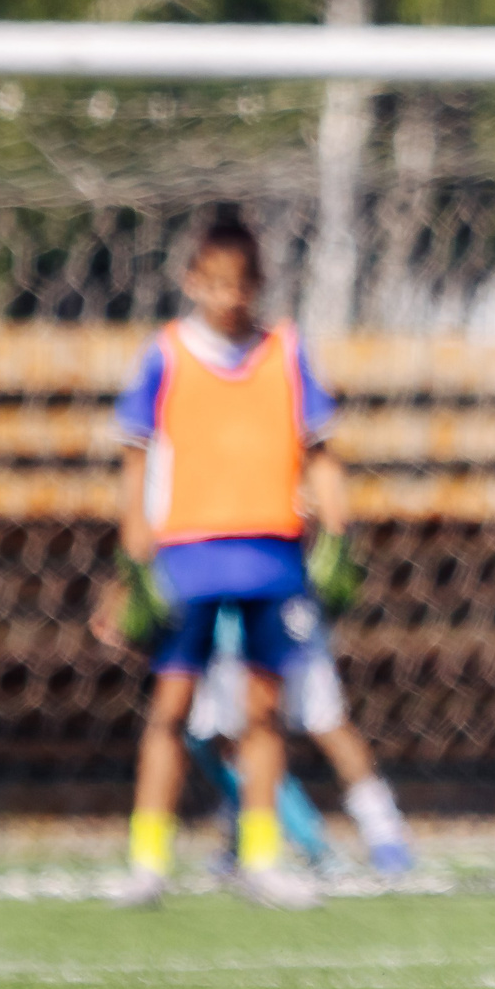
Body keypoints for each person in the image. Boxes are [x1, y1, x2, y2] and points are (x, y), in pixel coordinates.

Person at [109, 218, 365, 911]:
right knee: (172, 705)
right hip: (188, 550)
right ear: (194, 281)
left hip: (270, 551)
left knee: (265, 708)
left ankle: (260, 855)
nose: (228, 296)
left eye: (240, 283)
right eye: (214, 282)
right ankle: (148, 857)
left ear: (257, 285)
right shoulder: (166, 353)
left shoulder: (285, 352)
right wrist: (134, 543)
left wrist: (337, 534)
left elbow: (321, 449)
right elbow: (135, 455)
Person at [184, 600, 415, 876]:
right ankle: (248, 833)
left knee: (325, 722)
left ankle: (382, 831)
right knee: (233, 735)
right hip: (229, 618)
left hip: (286, 608)